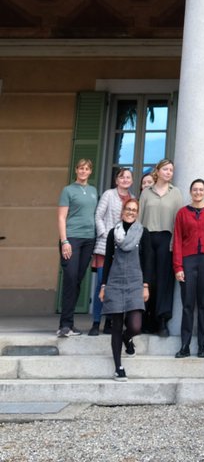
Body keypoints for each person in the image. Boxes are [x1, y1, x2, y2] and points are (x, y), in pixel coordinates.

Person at [100, 198, 152, 381]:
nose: (130, 212)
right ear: (122, 211)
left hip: (135, 282)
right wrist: (104, 286)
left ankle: (127, 338)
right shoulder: (113, 233)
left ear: (137, 213)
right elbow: (107, 261)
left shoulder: (143, 232)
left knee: (135, 326)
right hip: (115, 282)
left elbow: (148, 260)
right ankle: (118, 367)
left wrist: (146, 285)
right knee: (115, 325)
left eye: (134, 210)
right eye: (128, 209)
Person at [173, 179, 204, 358]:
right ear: (190, 192)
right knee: (187, 304)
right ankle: (184, 345)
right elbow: (177, 240)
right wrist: (178, 267)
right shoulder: (182, 213)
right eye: (195, 189)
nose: (198, 192)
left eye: (201, 190)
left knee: (203, 305)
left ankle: (202, 345)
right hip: (187, 260)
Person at [138, 158, 183, 336]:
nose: (169, 173)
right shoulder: (146, 193)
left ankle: (162, 321)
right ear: (158, 171)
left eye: (171, 170)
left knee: (165, 281)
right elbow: (139, 218)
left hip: (167, 239)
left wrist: (174, 244)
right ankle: (144, 319)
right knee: (148, 279)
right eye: (166, 169)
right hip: (147, 237)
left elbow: (178, 222)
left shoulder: (176, 193)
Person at [89, 166, 134, 336]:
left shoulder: (133, 198)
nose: (125, 180)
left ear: (131, 181)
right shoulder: (109, 194)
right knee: (103, 284)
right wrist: (105, 234)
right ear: (116, 180)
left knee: (117, 287)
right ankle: (95, 322)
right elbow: (98, 216)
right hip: (104, 248)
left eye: (128, 177)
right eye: (122, 177)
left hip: (123, 249)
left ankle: (109, 322)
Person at [56, 158, 98, 338]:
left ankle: (70, 324)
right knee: (70, 279)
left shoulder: (93, 191)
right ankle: (65, 325)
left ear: (90, 172)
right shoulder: (68, 190)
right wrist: (64, 241)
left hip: (89, 239)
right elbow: (61, 218)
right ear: (76, 170)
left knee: (78, 281)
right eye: (81, 168)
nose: (83, 171)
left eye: (86, 169)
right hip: (71, 238)